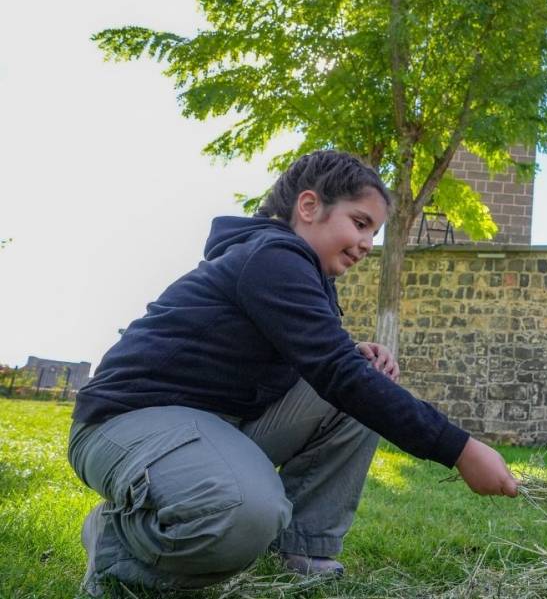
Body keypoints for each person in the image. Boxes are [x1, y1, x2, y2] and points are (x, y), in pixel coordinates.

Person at [68, 150, 518, 595]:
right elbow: (334, 371)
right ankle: (116, 545)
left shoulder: (305, 275)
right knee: (243, 514)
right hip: (125, 423)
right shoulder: (272, 256)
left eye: (375, 233)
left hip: (218, 424)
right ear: (308, 207)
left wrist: (350, 350)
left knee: (364, 382)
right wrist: (459, 449)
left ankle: (301, 549)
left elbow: (327, 364)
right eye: (360, 223)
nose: (366, 243)